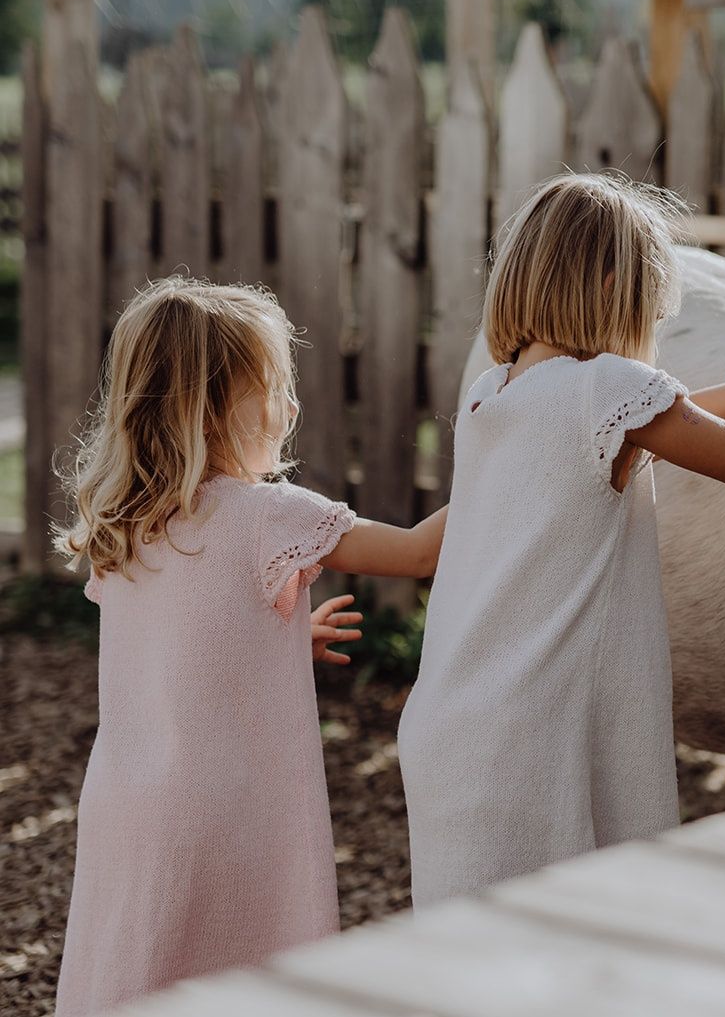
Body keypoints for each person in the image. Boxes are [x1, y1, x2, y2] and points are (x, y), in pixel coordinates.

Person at [400, 172, 725, 905]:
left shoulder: (498, 392)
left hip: (453, 732)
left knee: (476, 955)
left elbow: (628, 435)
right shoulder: (608, 388)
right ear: (618, 286)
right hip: (533, 745)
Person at [53, 278, 447, 1015]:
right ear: (209, 409)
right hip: (226, 814)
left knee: (142, 965)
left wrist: (279, 646)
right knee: (240, 973)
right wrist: (514, 463)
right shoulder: (267, 515)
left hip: (127, 806)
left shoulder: (127, 522)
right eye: (273, 388)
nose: (292, 409)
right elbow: (422, 552)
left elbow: (177, 654)